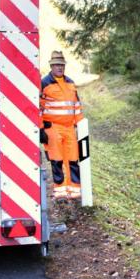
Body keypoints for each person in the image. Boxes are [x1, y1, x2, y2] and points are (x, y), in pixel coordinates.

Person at [40, 51, 84, 201]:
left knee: (73, 159)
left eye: (62, 65)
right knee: (57, 160)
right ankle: (60, 193)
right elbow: (37, 108)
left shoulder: (70, 83)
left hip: (69, 128)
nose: (59, 67)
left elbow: (76, 106)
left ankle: (75, 191)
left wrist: (81, 125)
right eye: (57, 65)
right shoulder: (44, 83)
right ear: (51, 66)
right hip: (53, 128)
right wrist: (40, 129)